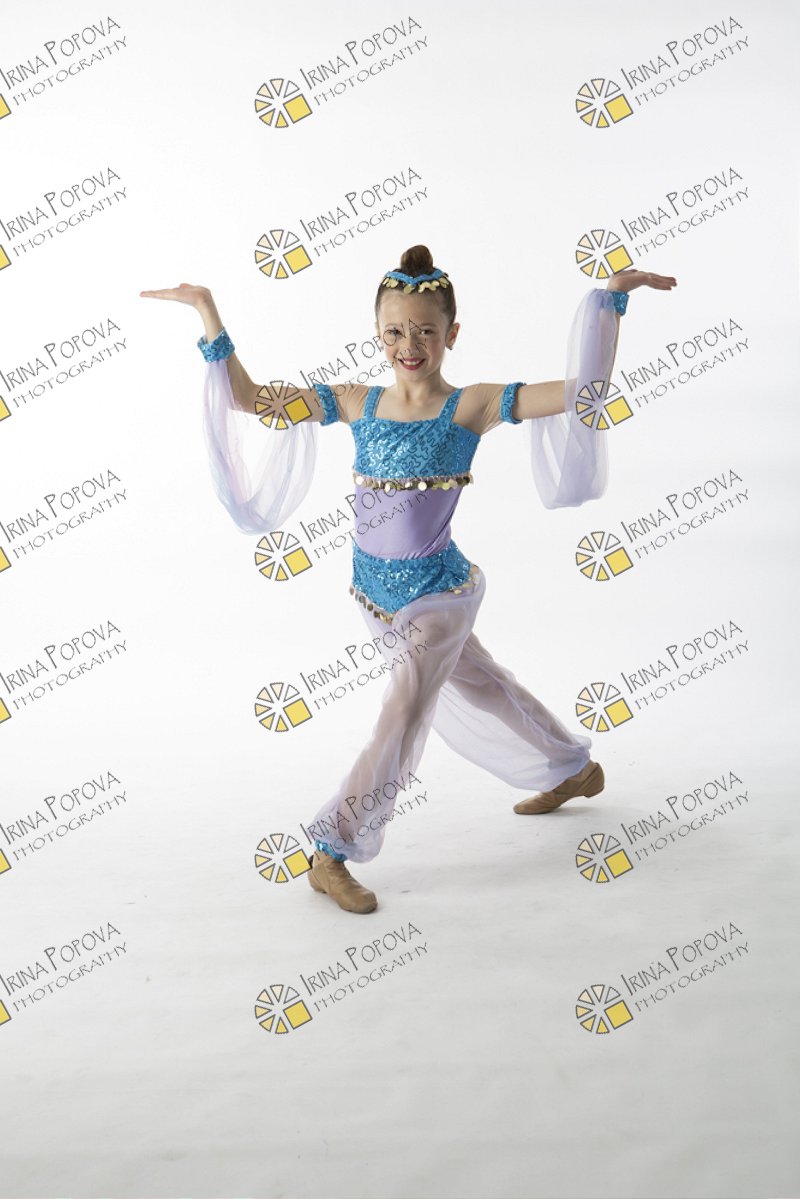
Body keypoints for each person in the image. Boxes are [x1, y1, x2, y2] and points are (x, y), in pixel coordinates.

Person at [141, 246, 677, 915]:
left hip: (439, 597)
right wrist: (206, 312)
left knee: (402, 712)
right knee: (485, 687)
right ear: (378, 334)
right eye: (395, 331)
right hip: (373, 594)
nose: (410, 345)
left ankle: (330, 849)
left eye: (426, 330)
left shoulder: (472, 405)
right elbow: (247, 399)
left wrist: (610, 302)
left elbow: (582, 393)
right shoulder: (356, 402)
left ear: (452, 334)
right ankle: (576, 768)